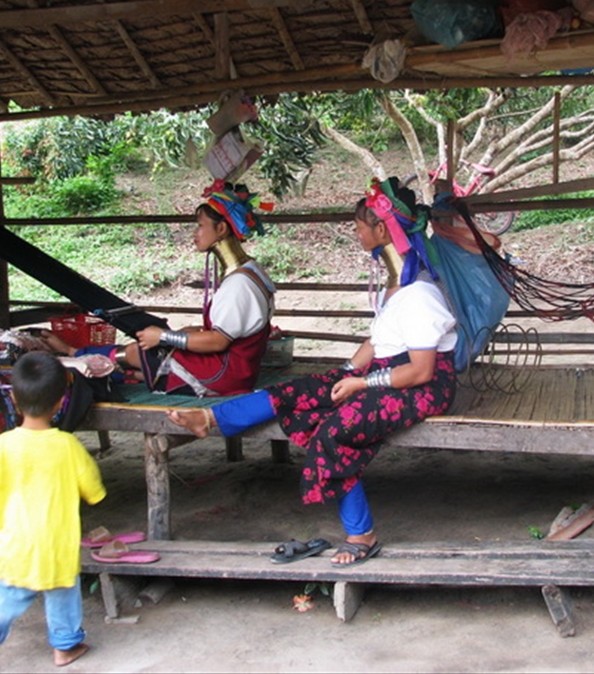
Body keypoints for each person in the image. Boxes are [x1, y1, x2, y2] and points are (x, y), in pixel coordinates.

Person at [169, 178, 457, 566]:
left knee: (334, 433)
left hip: (422, 386)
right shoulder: (396, 287)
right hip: (392, 372)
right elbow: (379, 342)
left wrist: (362, 382)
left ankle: (362, 535)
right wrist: (343, 373)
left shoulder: (420, 294)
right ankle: (210, 418)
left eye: (359, 225)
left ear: (381, 229)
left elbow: (421, 371)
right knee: (299, 392)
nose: (355, 232)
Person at [41, 181, 275, 397]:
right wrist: (188, 333)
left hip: (224, 376)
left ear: (221, 228)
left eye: (200, 226)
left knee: (145, 352)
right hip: (237, 370)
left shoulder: (238, 284)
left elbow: (218, 342)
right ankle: (87, 359)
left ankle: (76, 356)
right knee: (144, 364)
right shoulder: (251, 270)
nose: (195, 234)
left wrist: (164, 336)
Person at [0, 351, 106, 674]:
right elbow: (94, 492)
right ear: (61, 402)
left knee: (0, 592)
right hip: (55, 546)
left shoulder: (3, 445)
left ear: (13, 399)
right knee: (62, 593)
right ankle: (65, 647)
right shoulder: (68, 446)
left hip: (9, 543)